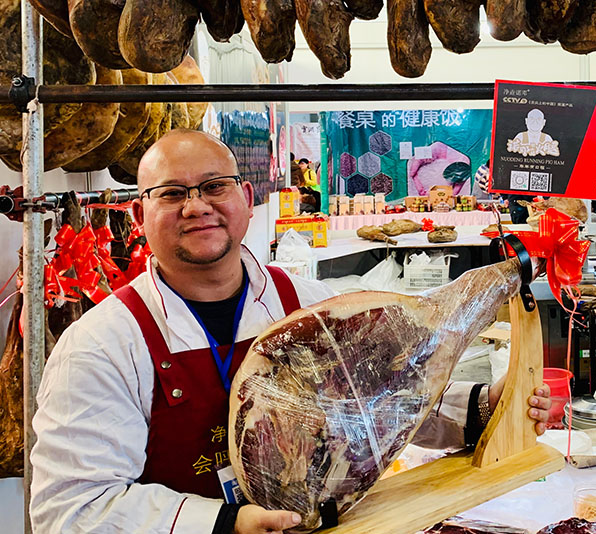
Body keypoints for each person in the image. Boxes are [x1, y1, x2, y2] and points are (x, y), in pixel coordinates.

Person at [30, 130, 552, 534]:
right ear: (139, 211)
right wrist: (222, 524)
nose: (197, 205)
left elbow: (377, 402)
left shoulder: (309, 303)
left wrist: (484, 406)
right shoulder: (101, 345)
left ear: (245, 196)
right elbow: (70, 510)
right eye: (171, 193)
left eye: (214, 186)